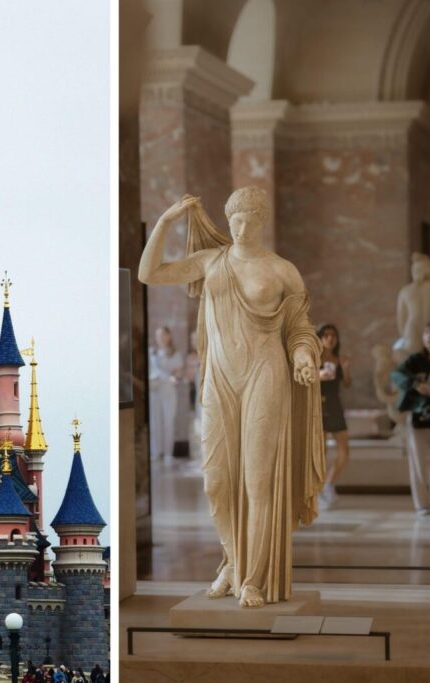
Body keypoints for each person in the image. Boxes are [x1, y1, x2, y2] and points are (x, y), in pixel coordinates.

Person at [139, 188, 324, 608]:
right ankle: (234, 560)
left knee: (258, 482)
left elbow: (299, 327)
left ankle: (254, 578)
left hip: (265, 374)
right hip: (220, 379)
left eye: (248, 219)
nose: (240, 228)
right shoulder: (211, 261)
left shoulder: (282, 271)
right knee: (217, 482)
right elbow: (149, 273)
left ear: (262, 220)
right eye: (234, 220)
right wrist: (167, 221)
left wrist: (302, 356)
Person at [391, 322, 430, 514]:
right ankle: (423, 504)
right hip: (418, 415)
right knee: (418, 461)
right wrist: (416, 385)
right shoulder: (415, 361)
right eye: (427, 336)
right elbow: (396, 375)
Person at [316, 323, 351, 509]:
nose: (330, 338)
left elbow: (347, 384)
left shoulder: (338, 359)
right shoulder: (313, 359)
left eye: (333, 336)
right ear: (320, 338)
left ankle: (329, 483)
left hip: (335, 405)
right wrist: (317, 375)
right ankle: (319, 490)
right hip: (318, 406)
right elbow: (302, 378)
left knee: (345, 451)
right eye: (327, 335)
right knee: (321, 452)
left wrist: (345, 368)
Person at [148, 326, 184, 460]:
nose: (160, 338)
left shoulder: (175, 354)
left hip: (168, 391)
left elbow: (178, 373)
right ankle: (156, 453)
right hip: (155, 390)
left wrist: (174, 378)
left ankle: (168, 453)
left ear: (169, 336)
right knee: (155, 422)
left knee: (168, 422)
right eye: (158, 336)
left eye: (163, 335)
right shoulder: (152, 353)